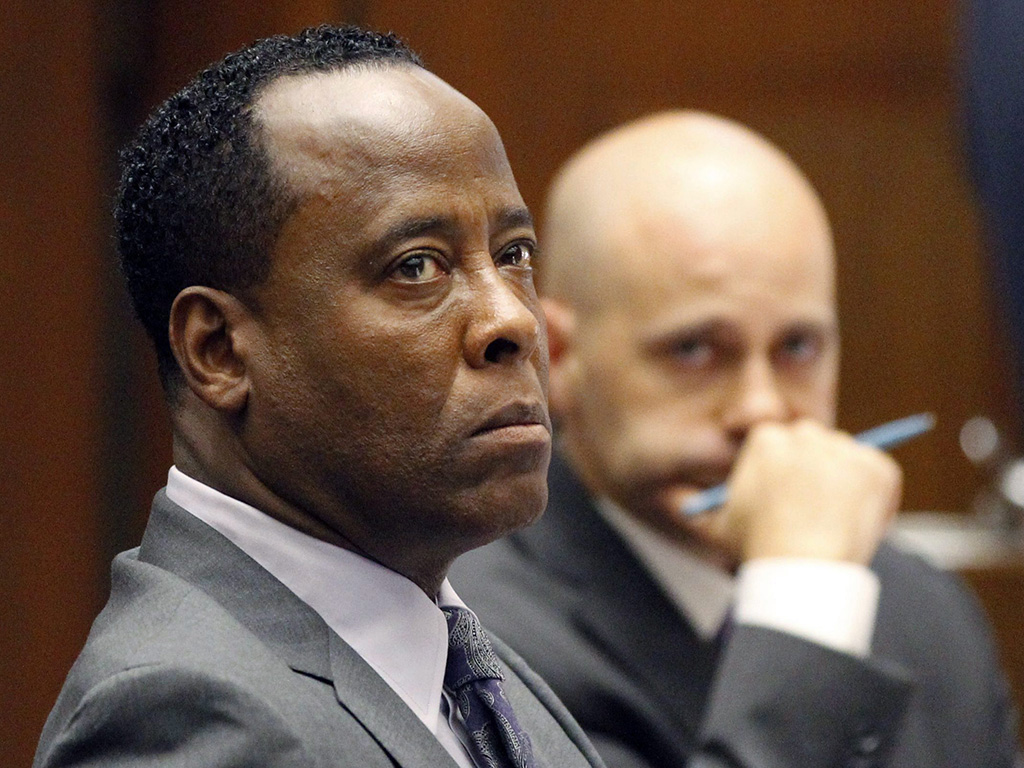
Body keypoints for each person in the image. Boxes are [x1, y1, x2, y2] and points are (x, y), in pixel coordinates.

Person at [33, 26, 599, 768]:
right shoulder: (183, 714)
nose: (513, 321)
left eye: (513, 254)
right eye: (417, 266)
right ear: (218, 350)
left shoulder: (479, 673)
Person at [452, 111, 1020, 768]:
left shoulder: (927, 611)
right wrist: (807, 595)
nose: (762, 409)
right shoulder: (480, 643)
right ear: (558, 353)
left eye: (798, 347)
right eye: (694, 350)